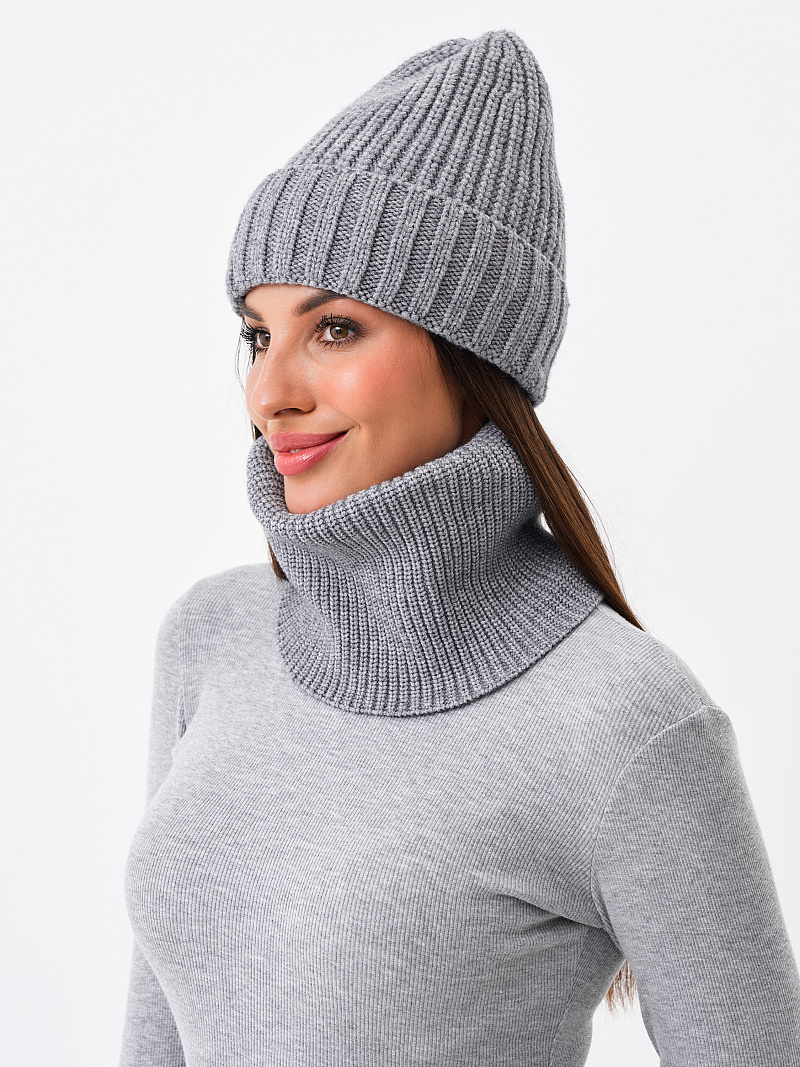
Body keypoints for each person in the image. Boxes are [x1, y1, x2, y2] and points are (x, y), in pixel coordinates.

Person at [119, 28, 800, 1067]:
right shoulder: (211, 640)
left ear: (470, 353)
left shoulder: (628, 720)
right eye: (257, 333)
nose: (268, 391)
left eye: (333, 328)